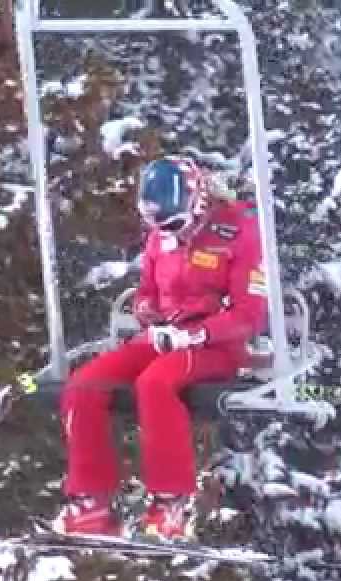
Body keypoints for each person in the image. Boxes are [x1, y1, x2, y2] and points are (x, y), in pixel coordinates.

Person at [53, 155, 270, 540]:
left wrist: (198, 333)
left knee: (155, 383)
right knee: (85, 383)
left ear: (197, 202)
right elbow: (148, 292)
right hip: (163, 337)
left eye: (175, 224)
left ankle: (170, 502)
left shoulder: (239, 231)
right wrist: (146, 309)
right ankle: (92, 502)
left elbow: (249, 314)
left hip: (216, 345)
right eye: (160, 227)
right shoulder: (160, 238)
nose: (169, 232)